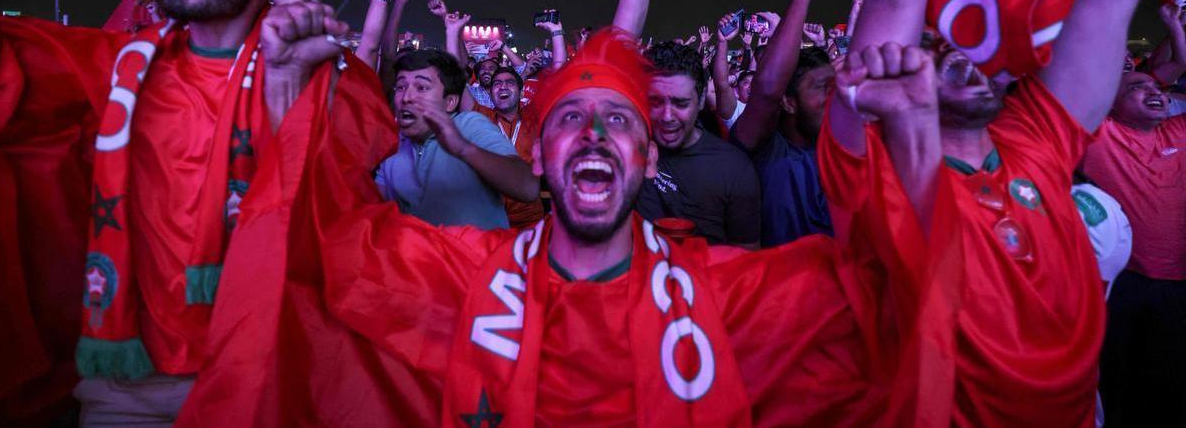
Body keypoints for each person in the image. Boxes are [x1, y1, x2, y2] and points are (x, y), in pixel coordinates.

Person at [285, 27, 951, 424]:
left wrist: (914, 139)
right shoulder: (456, 275)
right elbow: (313, 242)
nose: (596, 132)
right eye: (571, 117)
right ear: (541, 157)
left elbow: (891, 297)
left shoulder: (724, 293)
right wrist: (285, 89)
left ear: (649, 156)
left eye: (620, 119)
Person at [824, 0, 1163, 420]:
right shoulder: (875, 166)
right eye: (936, 39)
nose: (960, 53)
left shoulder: (1036, 134)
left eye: (974, 39)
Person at [0, 0, 383, 425]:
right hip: (126, 390)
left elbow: (330, 207)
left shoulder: (324, 68)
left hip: (270, 377)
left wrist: (292, 41)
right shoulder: (113, 67)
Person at [1083, 67, 1186, 426]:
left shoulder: (1178, 131)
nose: (1153, 91)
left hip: (1178, 282)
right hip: (1122, 283)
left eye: (1156, 86)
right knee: (1118, 377)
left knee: (1171, 379)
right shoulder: (1099, 136)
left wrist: (1176, 29)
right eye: (1137, 87)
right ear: (1109, 103)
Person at [729, 0, 835, 247]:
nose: (836, 98)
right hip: (778, 290)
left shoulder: (848, 151)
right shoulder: (768, 150)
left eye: (837, 88)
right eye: (822, 88)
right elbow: (767, 89)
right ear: (789, 102)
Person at [377, 48, 539, 229]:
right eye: (400, 86)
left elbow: (528, 187)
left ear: (450, 102)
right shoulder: (392, 144)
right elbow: (375, 213)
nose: (406, 97)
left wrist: (463, 149)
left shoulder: (469, 125)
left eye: (421, 87)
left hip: (484, 254)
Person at [636, 41, 761, 247]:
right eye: (655, 102)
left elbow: (746, 260)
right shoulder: (630, 150)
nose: (667, 116)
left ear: (701, 100)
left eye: (681, 103)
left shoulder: (733, 168)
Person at [474, 65, 545, 227]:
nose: (503, 86)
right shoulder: (482, 117)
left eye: (509, 82)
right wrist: (452, 37)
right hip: (489, 216)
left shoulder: (533, 117)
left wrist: (556, 37)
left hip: (529, 217)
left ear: (521, 92)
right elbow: (457, 82)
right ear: (490, 94)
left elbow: (559, 73)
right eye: (497, 84)